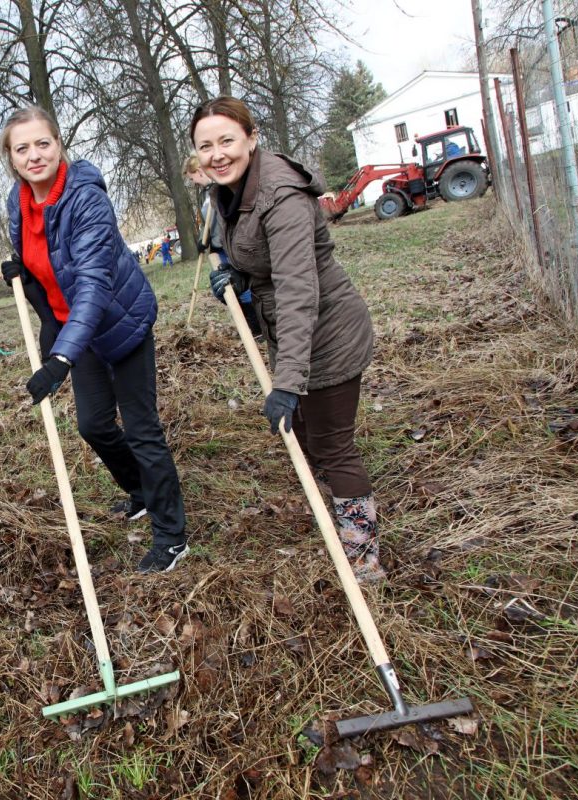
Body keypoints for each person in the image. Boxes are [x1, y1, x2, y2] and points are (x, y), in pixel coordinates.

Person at [192, 96, 384, 583]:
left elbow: (299, 289)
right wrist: (234, 278)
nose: (217, 154)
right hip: (292, 334)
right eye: (206, 145)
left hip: (328, 330)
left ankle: (363, 560)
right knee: (303, 437)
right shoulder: (229, 192)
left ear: (251, 139)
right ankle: (335, 515)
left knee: (333, 446)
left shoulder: (281, 194)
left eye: (227, 141)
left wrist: (288, 382)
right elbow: (259, 261)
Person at [0, 105, 187, 574]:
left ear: (59, 144)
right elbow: (49, 265)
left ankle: (171, 534)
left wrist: (61, 357)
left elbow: (93, 283)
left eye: (43, 143)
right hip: (73, 332)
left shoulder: (86, 198)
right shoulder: (17, 204)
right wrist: (23, 274)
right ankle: (140, 492)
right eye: (23, 148)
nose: (35, 154)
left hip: (119, 322)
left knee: (142, 432)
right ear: (12, 159)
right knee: (94, 426)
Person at [182, 153, 262, 339]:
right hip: (219, 247)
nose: (193, 182)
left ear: (199, 171)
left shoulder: (219, 189)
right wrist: (203, 240)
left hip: (229, 245)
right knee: (224, 287)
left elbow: (219, 220)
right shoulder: (208, 193)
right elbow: (207, 224)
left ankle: (256, 326)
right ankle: (250, 323)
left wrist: (206, 237)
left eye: (192, 177)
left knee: (238, 285)